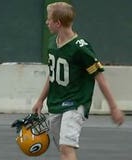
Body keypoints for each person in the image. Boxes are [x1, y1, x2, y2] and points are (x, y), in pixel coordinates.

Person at [32, 2, 124, 160]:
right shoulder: (52, 44)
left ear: (58, 23)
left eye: (49, 19)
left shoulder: (80, 48)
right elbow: (53, 74)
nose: (46, 22)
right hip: (56, 103)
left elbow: (100, 77)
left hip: (75, 103)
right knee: (63, 149)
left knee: (67, 147)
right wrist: (41, 99)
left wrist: (114, 107)